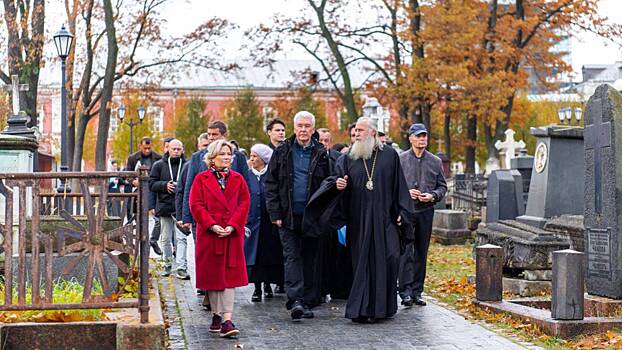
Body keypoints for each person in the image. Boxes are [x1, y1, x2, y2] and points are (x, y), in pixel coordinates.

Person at [305, 116, 414, 323]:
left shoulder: (390, 155)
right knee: (363, 264)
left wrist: (403, 211)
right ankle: (362, 310)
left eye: (361, 130)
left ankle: (383, 308)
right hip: (359, 220)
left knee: (389, 258)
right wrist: (337, 185)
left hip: (385, 219)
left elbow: (399, 185)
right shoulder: (348, 158)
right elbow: (336, 182)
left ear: (372, 133)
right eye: (355, 131)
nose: (356, 134)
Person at [265, 111, 330, 321]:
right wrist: (275, 213)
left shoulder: (322, 153)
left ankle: (308, 299)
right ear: (294, 128)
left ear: (313, 129)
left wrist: (324, 215)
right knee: (292, 257)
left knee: (310, 258)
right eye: (300, 125)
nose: (303, 130)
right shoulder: (283, 151)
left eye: (307, 126)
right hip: (287, 215)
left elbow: (328, 184)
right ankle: (295, 301)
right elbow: (271, 183)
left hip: (313, 216)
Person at [189, 139, 250, 338]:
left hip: (231, 235)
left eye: (228, 154)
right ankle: (216, 315)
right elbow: (196, 205)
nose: (226, 157)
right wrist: (211, 225)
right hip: (209, 235)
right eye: (222, 154)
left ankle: (226, 319)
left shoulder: (238, 179)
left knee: (229, 278)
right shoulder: (201, 179)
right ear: (212, 158)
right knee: (213, 278)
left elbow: (244, 203)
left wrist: (233, 224)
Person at [398, 123, 447, 307]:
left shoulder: (435, 161)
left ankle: (417, 291)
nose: (422, 139)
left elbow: (442, 187)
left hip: (426, 211)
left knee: (421, 251)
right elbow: (394, 185)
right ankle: (405, 291)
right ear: (410, 138)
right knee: (406, 251)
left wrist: (433, 195)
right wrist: (406, 192)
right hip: (407, 211)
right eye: (418, 136)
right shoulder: (401, 159)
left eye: (424, 136)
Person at [182, 121, 249, 231]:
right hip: (205, 217)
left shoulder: (238, 156)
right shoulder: (197, 157)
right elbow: (189, 188)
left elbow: (246, 189)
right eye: (209, 134)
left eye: (214, 134)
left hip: (232, 216)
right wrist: (186, 217)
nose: (210, 138)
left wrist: (244, 218)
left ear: (225, 135)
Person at [244, 144, 284, 302]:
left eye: (255, 156)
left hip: (269, 223)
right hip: (252, 222)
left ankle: (268, 284)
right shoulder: (247, 176)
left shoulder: (272, 176)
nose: (252, 159)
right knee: (254, 256)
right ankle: (256, 288)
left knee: (268, 255)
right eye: (251, 156)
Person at [316, 128, 353, 300]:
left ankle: (338, 287)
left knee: (337, 253)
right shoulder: (312, 159)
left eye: (326, 140)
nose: (323, 143)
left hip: (336, 212)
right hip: (318, 212)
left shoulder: (339, 159)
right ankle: (321, 289)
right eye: (321, 140)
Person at [149, 139, 189, 279]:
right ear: (168, 150)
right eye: (174, 149)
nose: (176, 151)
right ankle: (167, 265)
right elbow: (151, 184)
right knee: (165, 238)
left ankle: (182, 267)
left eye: (179, 149)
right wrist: (165, 185)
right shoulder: (159, 165)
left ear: (183, 150)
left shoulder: (187, 165)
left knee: (181, 238)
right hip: (165, 206)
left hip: (182, 208)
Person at [125, 137, 162, 222]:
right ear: (140, 146)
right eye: (145, 148)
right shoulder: (132, 158)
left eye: (149, 148)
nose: (147, 150)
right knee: (135, 214)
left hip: (153, 190)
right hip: (137, 190)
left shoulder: (159, 158)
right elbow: (127, 174)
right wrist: (133, 181)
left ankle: (153, 235)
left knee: (157, 218)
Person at [150, 137, 174, 255]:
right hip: (161, 202)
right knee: (159, 223)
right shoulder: (159, 163)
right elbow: (152, 187)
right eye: (166, 146)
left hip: (173, 204)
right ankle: (154, 240)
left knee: (171, 229)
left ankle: (173, 250)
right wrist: (151, 205)